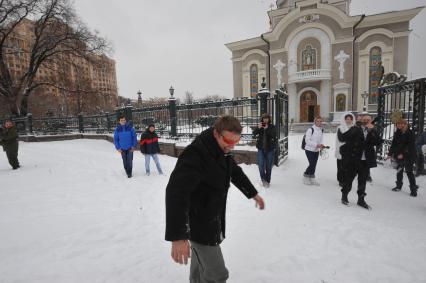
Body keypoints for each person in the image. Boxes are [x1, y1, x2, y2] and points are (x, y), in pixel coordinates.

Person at [165, 115, 265, 283]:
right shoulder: (196, 154)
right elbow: (176, 192)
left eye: (236, 141)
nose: (231, 146)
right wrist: (178, 237)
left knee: (199, 267)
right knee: (217, 275)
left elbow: (233, 171)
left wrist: (252, 193)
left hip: (210, 218)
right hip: (199, 225)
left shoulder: (220, 150)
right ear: (216, 134)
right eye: (228, 140)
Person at [338, 114, 381, 209]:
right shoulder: (356, 128)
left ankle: (361, 199)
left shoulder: (373, 130)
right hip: (354, 159)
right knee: (349, 179)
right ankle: (344, 196)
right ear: (361, 120)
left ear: (371, 120)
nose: (366, 121)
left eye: (368, 119)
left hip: (365, 161)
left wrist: (372, 130)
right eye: (364, 119)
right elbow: (342, 138)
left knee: (362, 181)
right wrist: (341, 131)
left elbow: (378, 142)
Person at [387, 118, 418, 197]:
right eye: (398, 124)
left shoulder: (410, 133)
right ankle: (398, 186)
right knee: (399, 170)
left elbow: (410, 146)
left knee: (409, 172)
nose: (400, 125)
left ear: (405, 124)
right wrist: (390, 154)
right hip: (399, 154)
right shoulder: (397, 132)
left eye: (402, 123)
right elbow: (394, 144)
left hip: (409, 155)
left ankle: (413, 190)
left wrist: (403, 154)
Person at [253, 113, 276, 187]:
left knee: (268, 167)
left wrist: (267, 129)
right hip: (261, 149)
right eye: (264, 118)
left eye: (267, 118)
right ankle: (263, 180)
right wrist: (258, 128)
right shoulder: (260, 126)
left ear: (269, 119)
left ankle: (268, 180)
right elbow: (254, 134)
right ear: (262, 119)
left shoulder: (272, 127)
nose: (265, 119)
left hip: (270, 149)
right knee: (260, 166)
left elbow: (274, 135)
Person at [335, 112, 355, 187]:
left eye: (350, 119)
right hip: (341, 150)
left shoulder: (354, 127)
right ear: (344, 119)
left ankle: (346, 179)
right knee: (340, 166)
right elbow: (340, 139)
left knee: (348, 166)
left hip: (350, 151)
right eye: (347, 119)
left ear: (352, 120)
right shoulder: (340, 128)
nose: (348, 120)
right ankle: (340, 180)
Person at [303, 116, 325, 185]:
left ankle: (312, 177)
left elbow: (321, 139)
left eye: (320, 121)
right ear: (315, 122)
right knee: (312, 164)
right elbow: (307, 140)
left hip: (316, 150)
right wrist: (316, 145)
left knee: (314, 165)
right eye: (317, 121)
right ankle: (306, 176)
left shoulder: (321, 130)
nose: (319, 122)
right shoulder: (310, 129)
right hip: (309, 150)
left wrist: (321, 145)